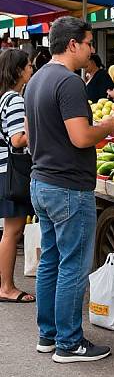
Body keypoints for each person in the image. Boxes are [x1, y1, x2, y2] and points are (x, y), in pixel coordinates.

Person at [24, 16, 114, 363]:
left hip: (42, 182)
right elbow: (80, 137)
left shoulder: (36, 79)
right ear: (72, 45)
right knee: (72, 265)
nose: (92, 49)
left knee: (51, 260)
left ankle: (48, 336)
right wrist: (108, 126)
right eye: (88, 43)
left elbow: (30, 134)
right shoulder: (68, 82)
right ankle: (69, 343)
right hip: (67, 186)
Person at [0, 50, 34, 303]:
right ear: (19, 70)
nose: (31, 69)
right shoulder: (14, 100)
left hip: (4, 170)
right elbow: (17, 139)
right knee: (12, 231)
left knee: (9, 231)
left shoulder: (4, 97)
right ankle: (7, 287)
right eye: (29, 66)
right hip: (12, 171)